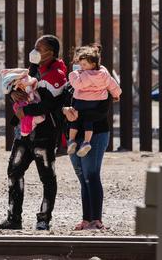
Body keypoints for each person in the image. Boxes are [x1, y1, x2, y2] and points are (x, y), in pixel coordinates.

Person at [0, 35, 67, 231]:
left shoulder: (57, 74)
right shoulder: (34, 69)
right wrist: (12, 94)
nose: (34, 51)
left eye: (39, 48)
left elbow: (49, 104)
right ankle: (13, 218)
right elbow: (20, 91)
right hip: (23, 134)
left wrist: (26, 111)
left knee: (47, 177)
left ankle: (43, 219)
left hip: (45, 134)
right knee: (14, 171)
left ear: (50, 53)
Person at [63, 90, 113, 230]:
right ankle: (86, 219)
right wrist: (65, 110)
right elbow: (60, 104)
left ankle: (96, 220)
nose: (82, 67)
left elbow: (101, 112)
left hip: (96, 134)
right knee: (82, 177)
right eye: (80, 65)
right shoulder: (70, 85)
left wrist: (77, 114)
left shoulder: (102, 83)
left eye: (86, 65)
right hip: (73, 136)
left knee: (91, 175)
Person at [67, 44, 121, 157]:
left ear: (92, 64)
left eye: (84, 64)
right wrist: (116, 94)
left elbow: (76, 84)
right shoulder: (104, 74)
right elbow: (113, 85)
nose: (81, 66)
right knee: (88, 121)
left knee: (75, 119)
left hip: (81, 101)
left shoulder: (83, 75)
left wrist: (73, 74)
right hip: (96, 102)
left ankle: (71, 140)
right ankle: (86, 142)